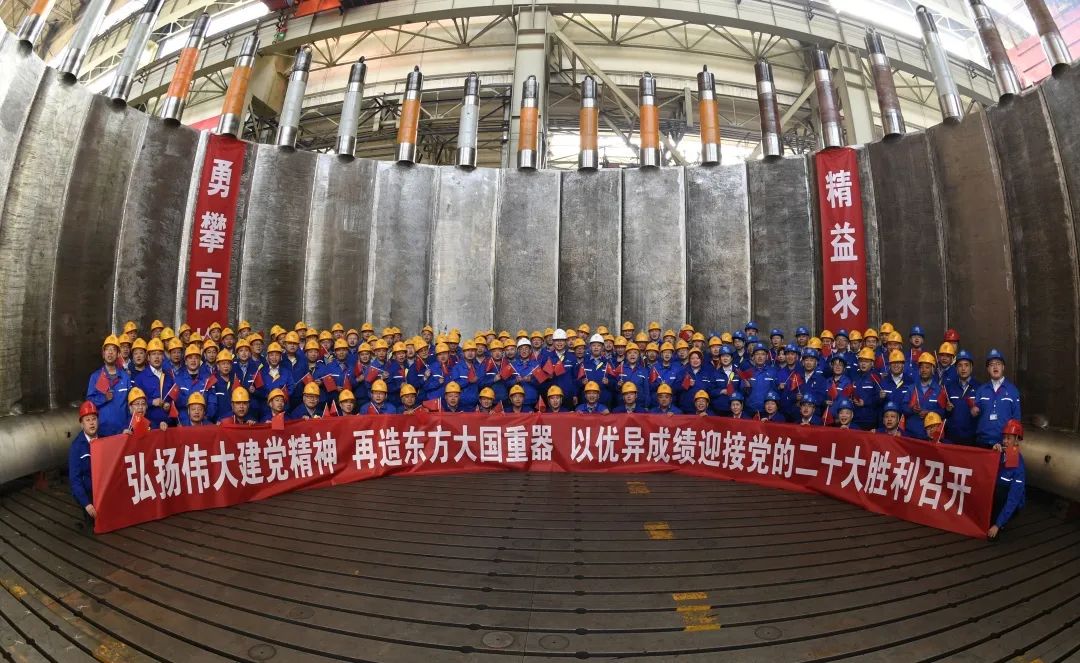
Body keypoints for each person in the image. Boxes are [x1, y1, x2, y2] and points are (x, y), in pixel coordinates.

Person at [973, 350, 1021, 450]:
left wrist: (1012, 441)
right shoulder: (981, 390)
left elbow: (1016, 419)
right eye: (991, 364)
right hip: (982, 442)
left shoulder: (1012, 390)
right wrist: (973, 411)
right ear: (988, 369)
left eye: (998, 364)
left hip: (1003, 443)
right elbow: (975, 415)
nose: (995, 367)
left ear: (1003, 367)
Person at [85, 335, 132, 437]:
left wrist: (128, 426)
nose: (110, 352)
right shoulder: (95, 377)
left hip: (123, 431)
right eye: (107, 349)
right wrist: (104, 398)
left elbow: (130, 406)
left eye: (113, 349)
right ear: (103, 354)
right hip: (102, 431)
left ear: (118, 354)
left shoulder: (125, 377)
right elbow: (89, 402)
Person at [988, 419, 1026, 540]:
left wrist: (997, 525)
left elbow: (1014, 498)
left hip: (1009, 502)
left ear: (1017, 440)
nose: (1005, 441)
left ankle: (1000, 522)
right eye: (1004, 437)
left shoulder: (1019, 466)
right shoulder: (1000, 454)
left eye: (1009, 438)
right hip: (998, 496)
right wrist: (992, 455)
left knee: (1000, 491)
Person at [69, 401, 99, 527]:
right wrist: (86, 504)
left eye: (94, 419)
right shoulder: (76, 447)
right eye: (87, 420)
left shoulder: (105, 440)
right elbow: (74, 479)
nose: (92, 423)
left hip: (104, 489)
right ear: (82, 424)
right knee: (94, 524)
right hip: (88, 493)